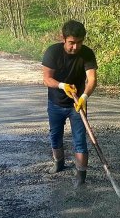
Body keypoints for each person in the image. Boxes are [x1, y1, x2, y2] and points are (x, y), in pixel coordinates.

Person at [41, 20, 97, 187]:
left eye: (79, 42)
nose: (75, 47)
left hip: (77, 104)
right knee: (55, 135)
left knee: (80, 139)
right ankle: (58, 163)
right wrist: (62, 85)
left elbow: (92, 79)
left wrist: (84, 96)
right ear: (63, 38)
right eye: (72, 42)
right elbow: (47, 79)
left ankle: (81, 175)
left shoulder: (87, 53)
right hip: (56, 103)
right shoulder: (53, 52)